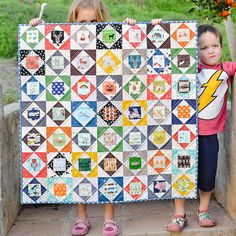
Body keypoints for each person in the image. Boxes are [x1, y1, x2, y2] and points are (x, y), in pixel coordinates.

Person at [29, 1, 138, 236]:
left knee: (111, 160)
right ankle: (82, 217)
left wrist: (130, 28)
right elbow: (47, 48)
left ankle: (109, 218)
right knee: (78, 162)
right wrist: (37, 29)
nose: (88, 27)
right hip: (76, 109)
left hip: (108, 106)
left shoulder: (111, 39)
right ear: (72, 23)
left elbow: (131, 48)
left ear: (103, 22)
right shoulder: (67, 42)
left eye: (94, 22)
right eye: (82, 22)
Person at [165, 24, 236, 232]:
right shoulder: (190, 68)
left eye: (215, 45)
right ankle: (179, 213)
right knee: (181, 172)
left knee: (208, 173)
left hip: (209, 135)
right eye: (204, 47)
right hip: (183, 134)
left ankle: (203, 209)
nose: (211, 50)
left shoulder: (227, 69)